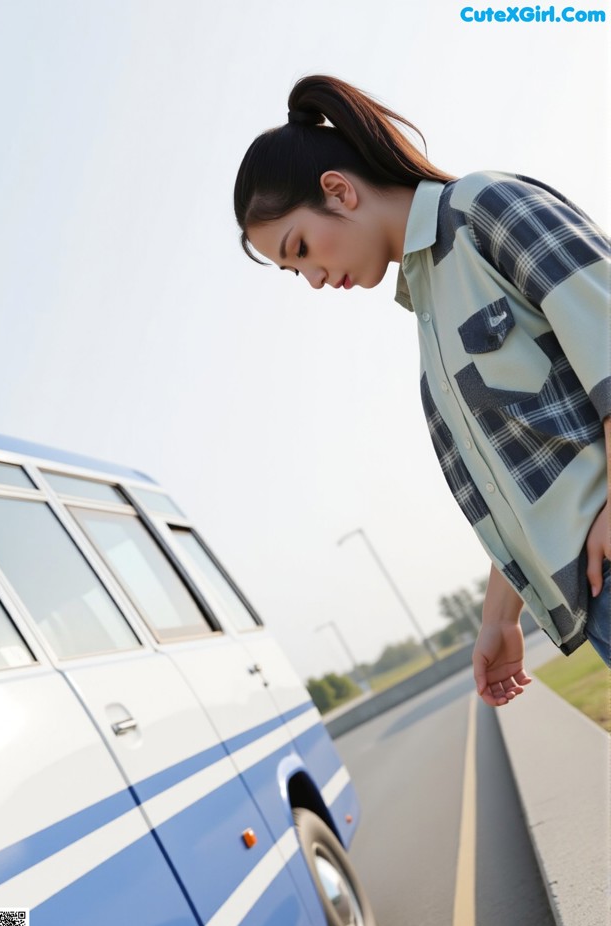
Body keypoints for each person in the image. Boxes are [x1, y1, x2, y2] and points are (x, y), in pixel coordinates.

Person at [233, 74, 610, 707]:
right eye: (294, 273)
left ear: (338, 190)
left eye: (300, 249)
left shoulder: (485, 209)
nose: (315, 280)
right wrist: (500, 615)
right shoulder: (429, 304)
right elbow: (521, 480)